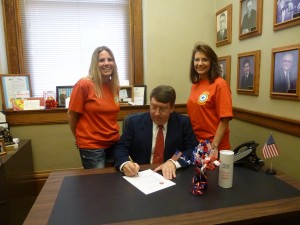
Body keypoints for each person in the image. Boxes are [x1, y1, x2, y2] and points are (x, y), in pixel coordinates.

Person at [114, 85, 198, 180]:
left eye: (162, 109)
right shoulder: (134, 122)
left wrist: (173, 161)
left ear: (171, 108)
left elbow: (192, 150)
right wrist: (125, 163)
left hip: (170, 176)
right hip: (139, 175)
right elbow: (121, 148)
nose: (157, 113)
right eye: (153, 107)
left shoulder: (183, 123)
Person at [67, 46, 120, 169]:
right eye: (101, 60)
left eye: (110, 59)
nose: (106, 63)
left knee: (113, 182)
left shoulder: (115, 86)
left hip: (114, 143)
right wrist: (79, 138)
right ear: (94, 64)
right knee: (97, 184)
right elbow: (72, 114)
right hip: (92, 147)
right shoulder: (84, 84)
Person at [187, 42, 233, 152]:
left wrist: (214, 146)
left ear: (212, 62)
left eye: (204, 59)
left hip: (214, 146)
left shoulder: (220, 84)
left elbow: (225, 120)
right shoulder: (195, 85)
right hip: (197, 144)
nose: (200, 63)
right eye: (197, 60)